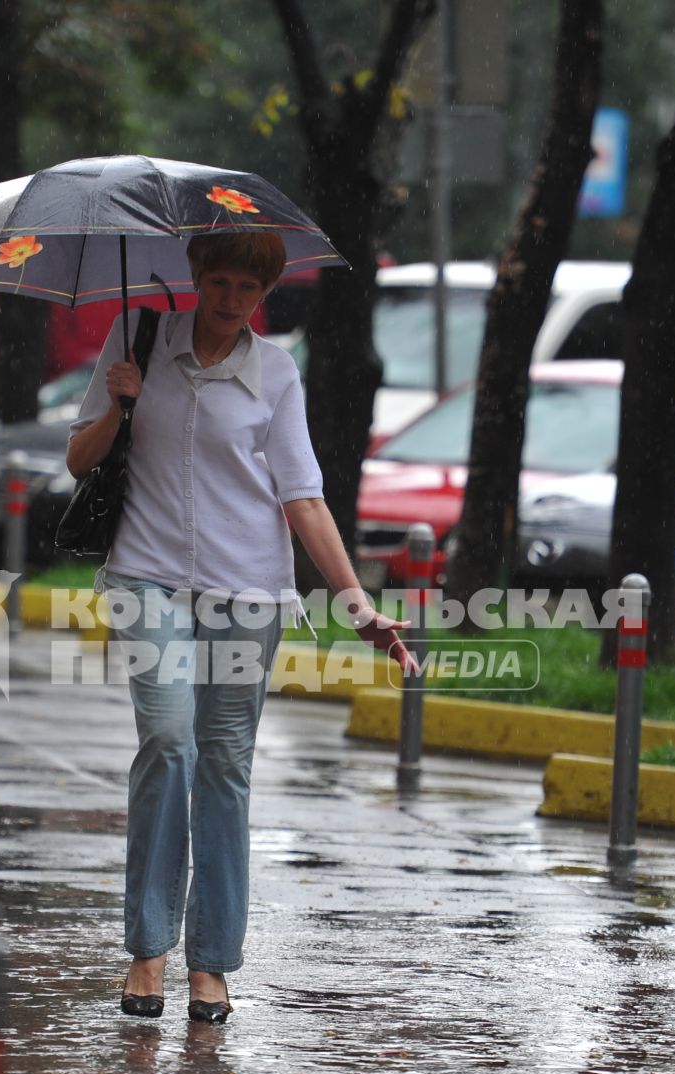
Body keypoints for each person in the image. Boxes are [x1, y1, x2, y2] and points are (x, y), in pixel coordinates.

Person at [66, 230, 414, 1024]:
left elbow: (303, 497)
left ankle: (212, 963)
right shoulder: (139, 339)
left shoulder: (276, 373)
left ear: (265, 293)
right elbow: (78, 460)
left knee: (224, 766)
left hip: (247, 594)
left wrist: (356, 601)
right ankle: (147, 949)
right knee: (169, 739)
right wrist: (119, 406)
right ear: (194, 275)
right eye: (218, 281)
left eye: (246, 289)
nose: (229, 300)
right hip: (147, 575)